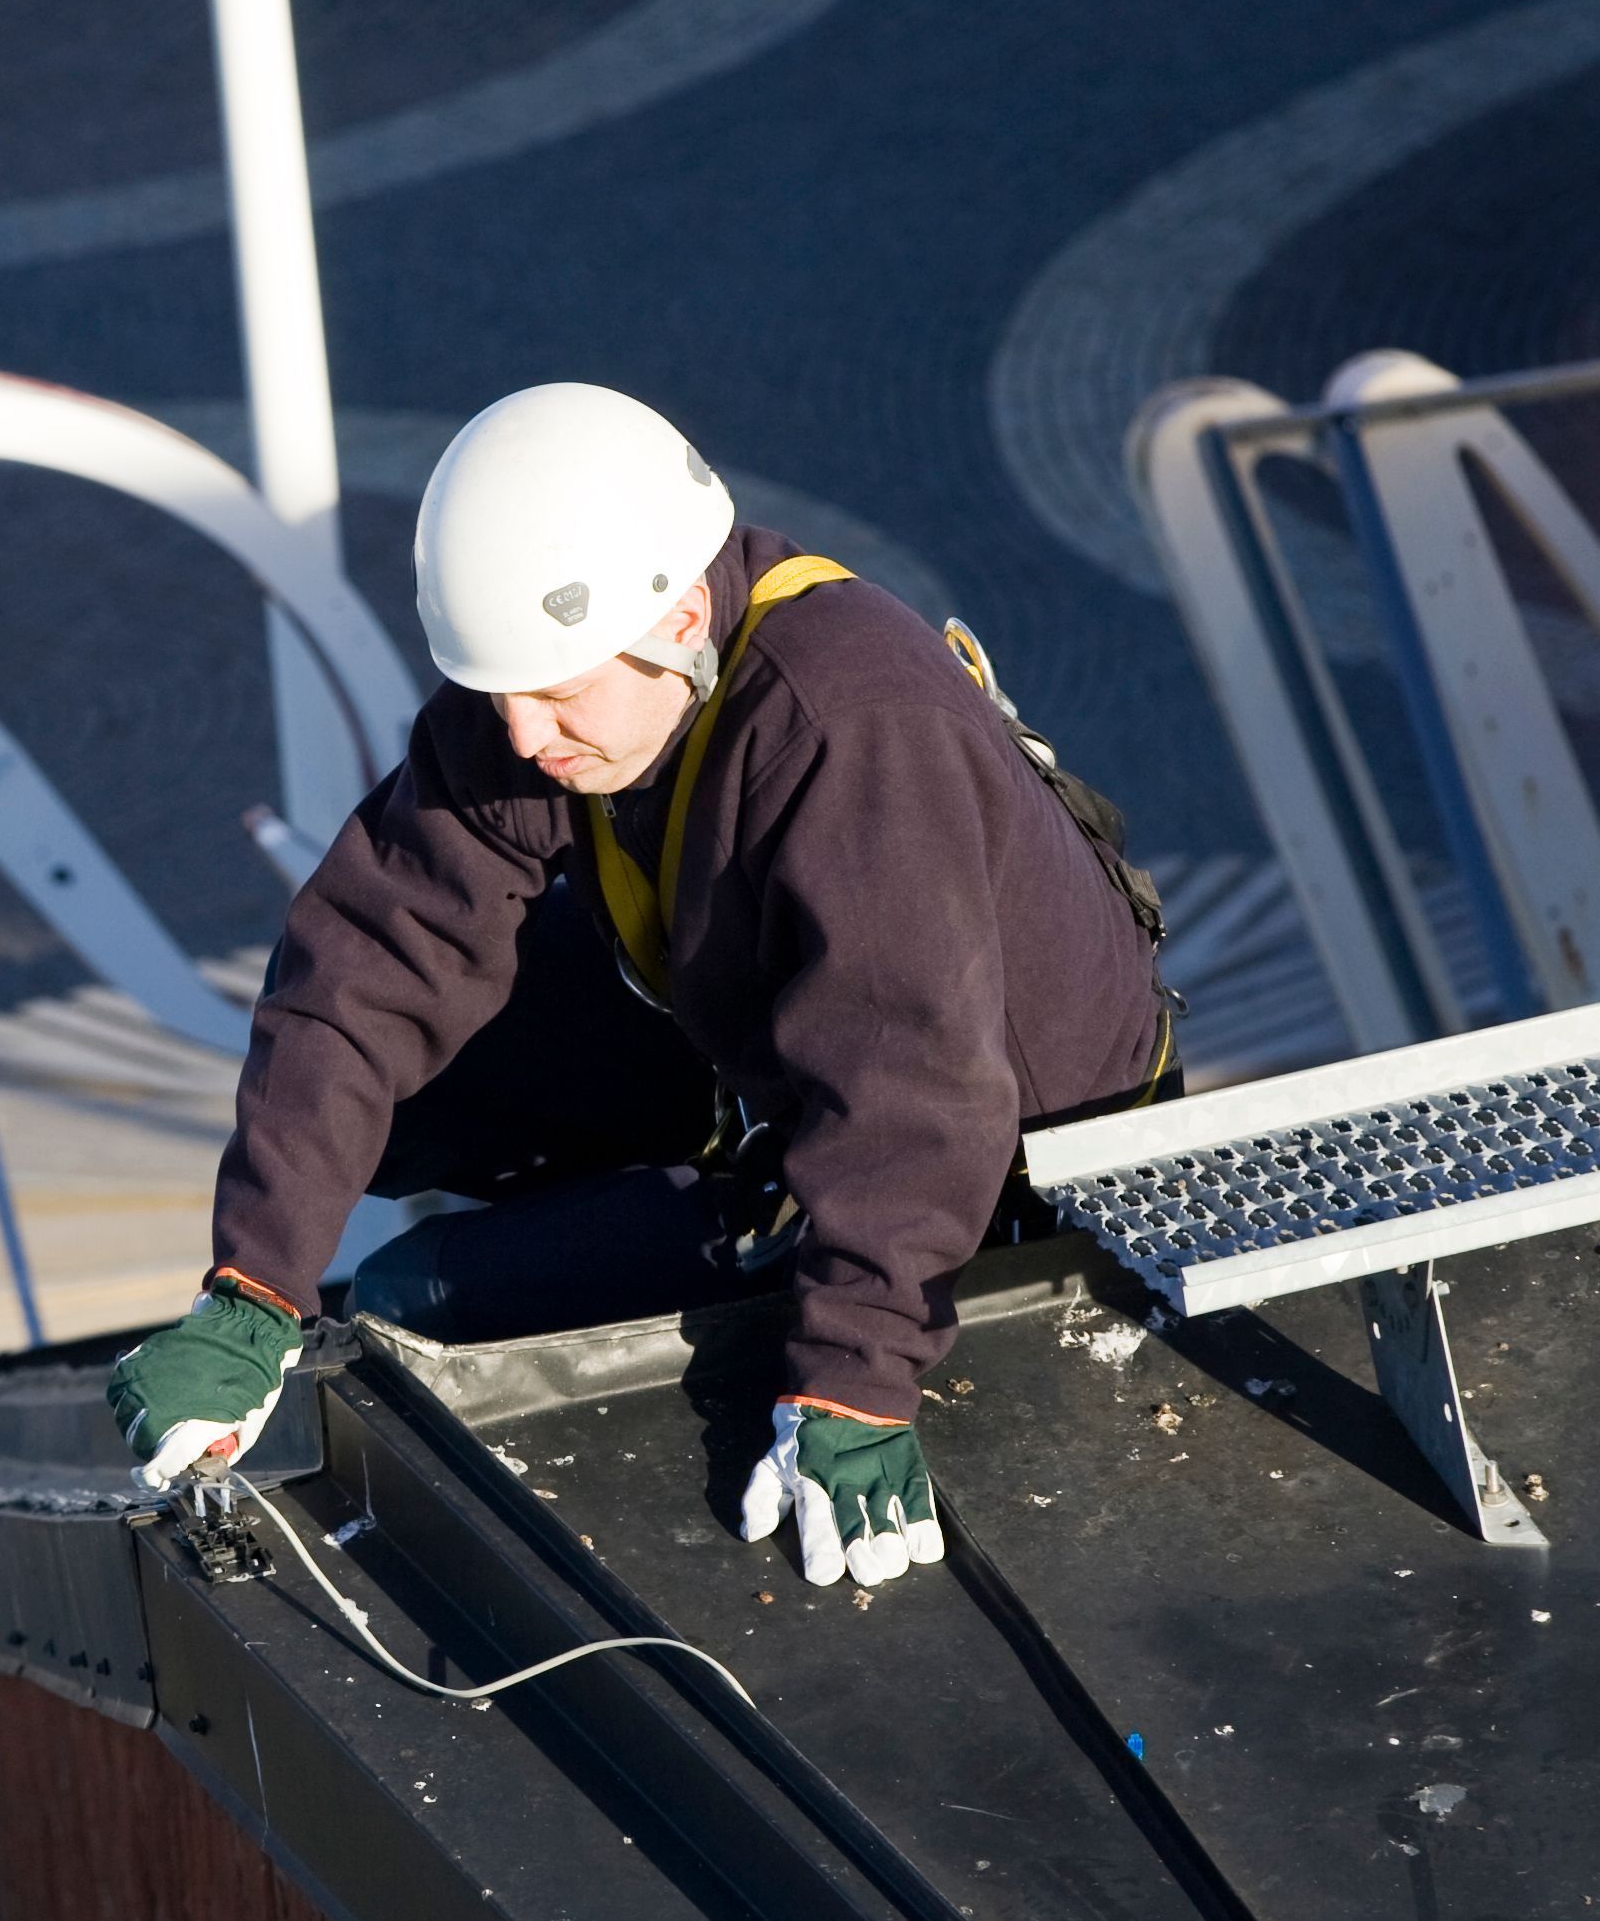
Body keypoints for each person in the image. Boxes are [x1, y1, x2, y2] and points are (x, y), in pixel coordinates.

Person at [107, 384, 1174, 1594]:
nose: (521, 736)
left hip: (997, 1180)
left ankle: (683, 1222)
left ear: (677, 619)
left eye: (557, 696)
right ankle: (643, 1174)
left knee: (421, 1297)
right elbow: (364, 965)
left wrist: (854, 1379)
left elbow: (915, 1089)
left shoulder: (852, 730)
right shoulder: (569, 679)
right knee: (381, 1097)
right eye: (502, 693)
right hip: (770, 1035)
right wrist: (255, 1286)